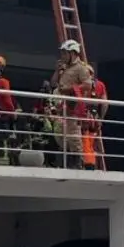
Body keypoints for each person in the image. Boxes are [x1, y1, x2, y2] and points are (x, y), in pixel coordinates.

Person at [50, 39, 91, 169]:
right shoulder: (64, 68)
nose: (63, 56)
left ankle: (77, 163)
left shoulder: (81, 68)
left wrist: (69, 89)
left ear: (73, 53)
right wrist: (57, 71)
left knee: (73, 135)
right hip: (61, 106)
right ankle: (64, 161)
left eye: (65, 53)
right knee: (60, 135)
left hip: (73, 106)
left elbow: (87, 85)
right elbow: (53, 84)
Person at [82, 64, 109, 170]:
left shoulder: (83, 84)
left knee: (86, 142)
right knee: (94, 143)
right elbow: (105, 103)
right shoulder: (100, 85)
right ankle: (98, 166)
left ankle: (89, 165)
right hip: (95, 117)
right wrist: (101, 118)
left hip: (85, 117)